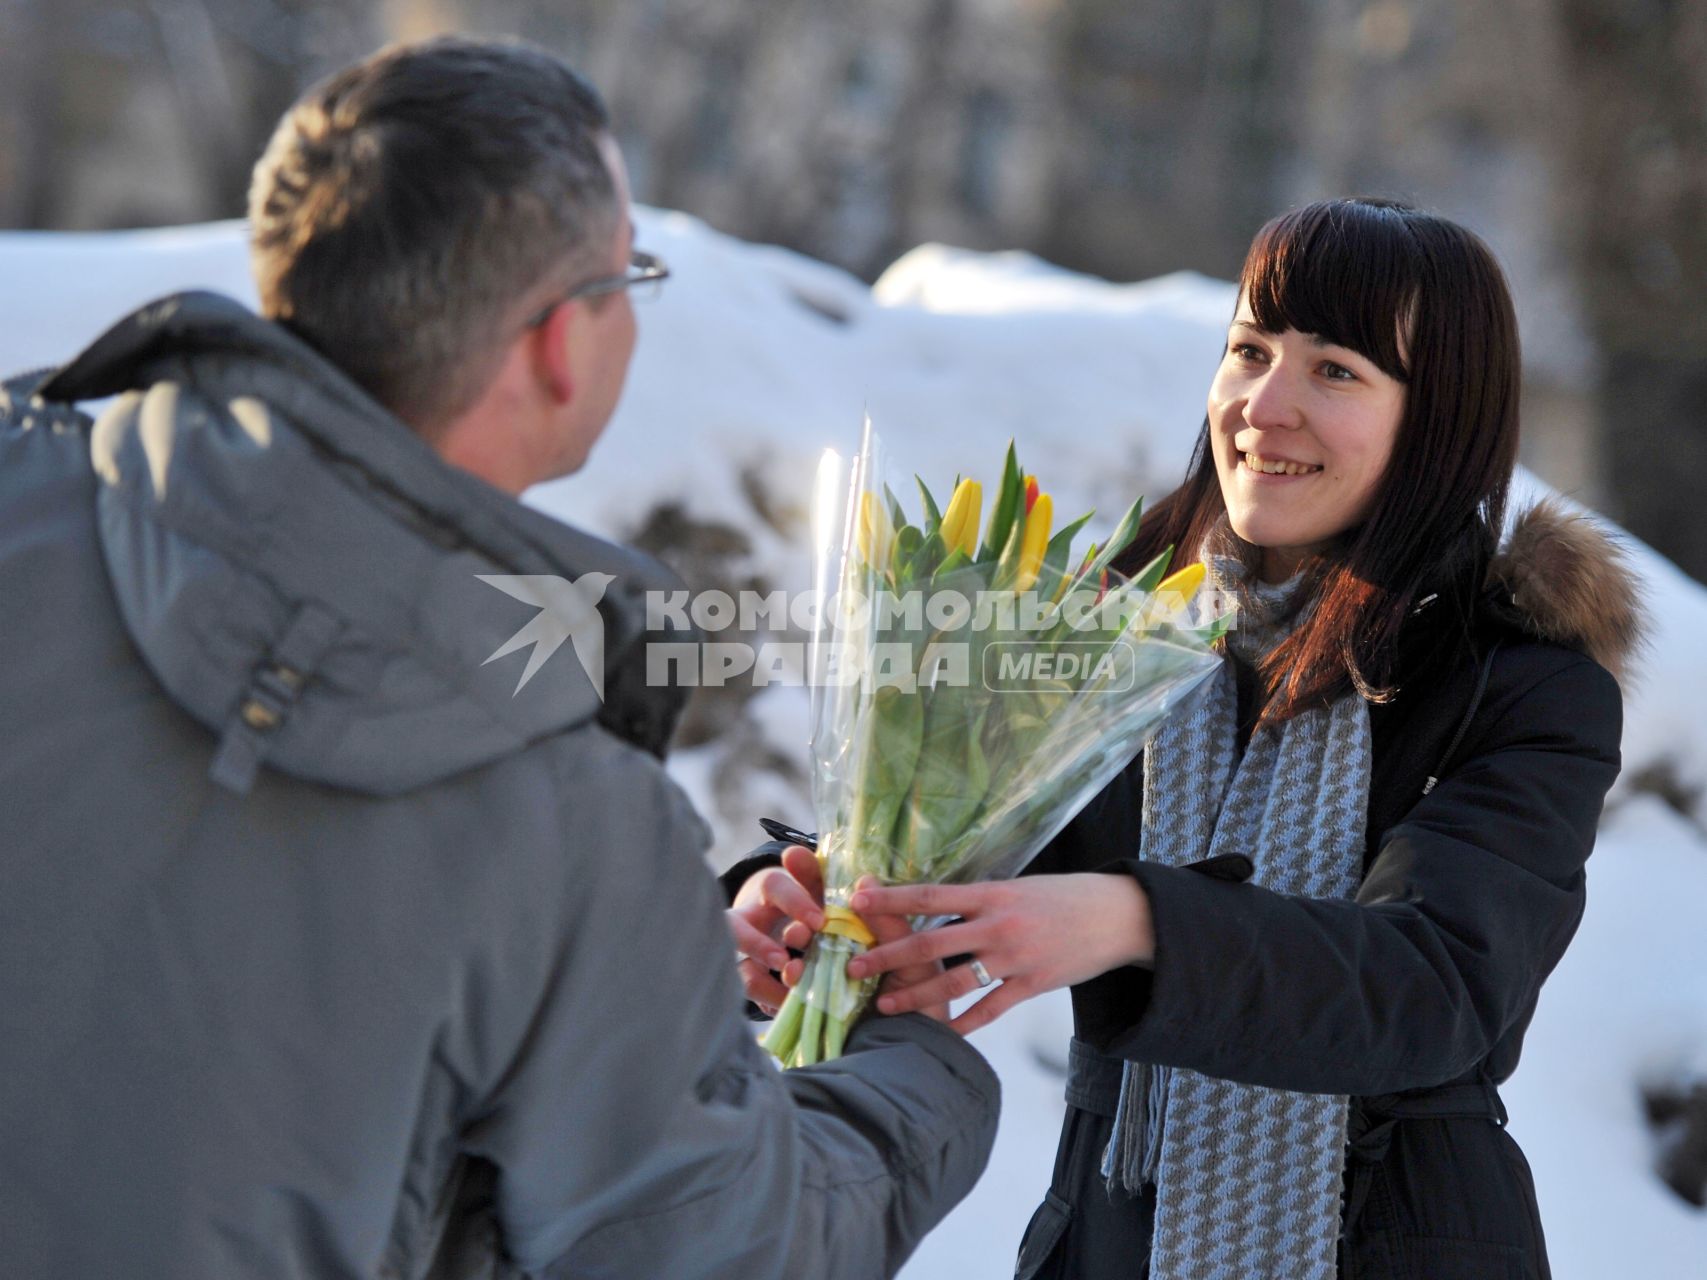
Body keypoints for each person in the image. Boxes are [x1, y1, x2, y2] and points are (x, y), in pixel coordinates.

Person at [0, 35, 998, 1280]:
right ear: (558, 345)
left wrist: (645, 968)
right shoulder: (569, 821)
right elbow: (715, 1251)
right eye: (629, 273)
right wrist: (918, 1075)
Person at [732, 198, 1644, 1278]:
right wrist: (799, 907)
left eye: (1336, 369)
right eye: (1250, 350)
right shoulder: (1119, 634)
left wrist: (1135, 919)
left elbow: (1431, 984)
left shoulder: (1524, 685)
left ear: (1438, 417)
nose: (1266, 405)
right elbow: (948, 846)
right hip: (1108, 1241)